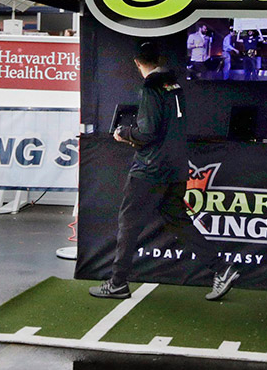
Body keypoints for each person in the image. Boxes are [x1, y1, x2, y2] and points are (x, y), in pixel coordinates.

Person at [90, 42, 240, 302]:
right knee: (177, 220)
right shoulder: (174, 84)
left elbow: (147, 132)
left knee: (129, 223)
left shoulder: (150, 88)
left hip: (151, 169)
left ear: (137, 62)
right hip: (177, 167)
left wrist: (124, 133)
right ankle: (221, 268)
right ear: (159, 58)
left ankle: (117, 283)